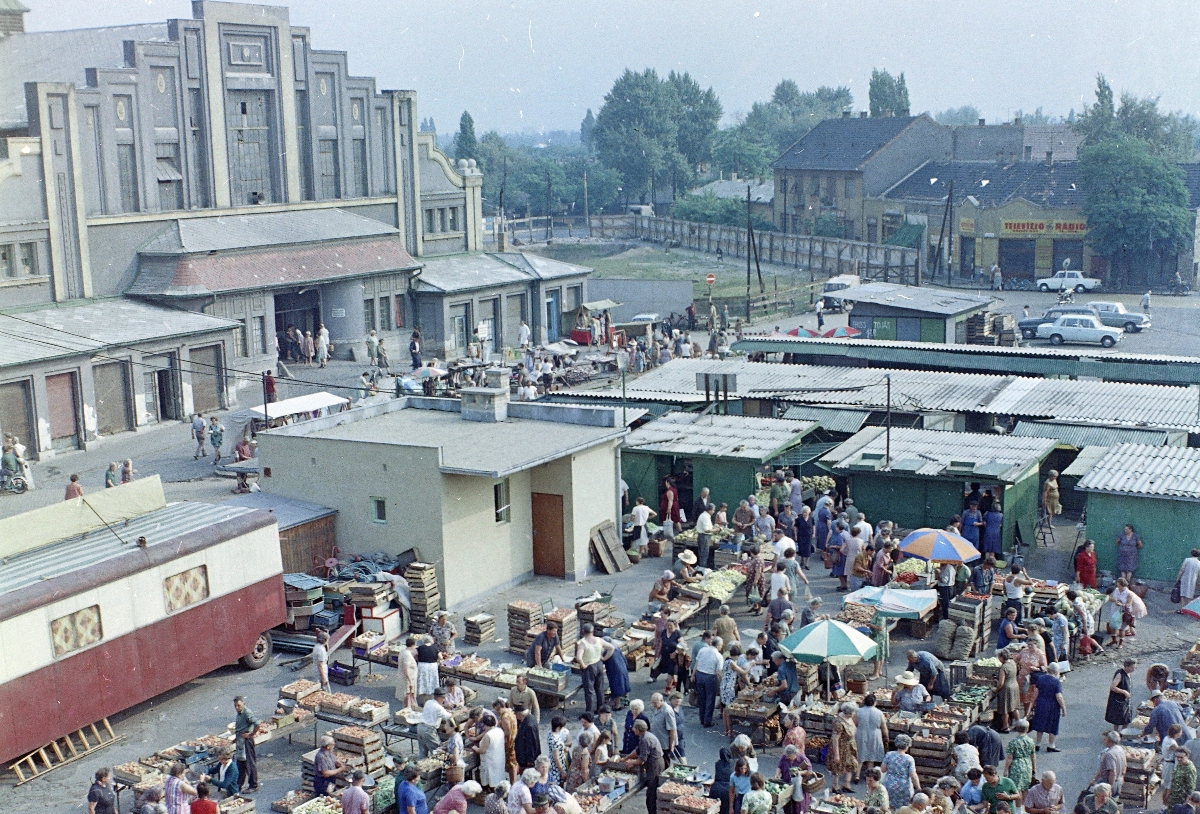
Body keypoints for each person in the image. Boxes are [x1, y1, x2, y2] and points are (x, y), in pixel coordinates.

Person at [576, 623, 615, 715]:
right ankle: (601, 709)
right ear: (592, 631)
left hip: (589, 667)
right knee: (599, 688)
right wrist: (604, 658)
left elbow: (578, 657)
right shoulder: (599, 640)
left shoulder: (582, 643)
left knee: (589, 691)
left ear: (582, 632)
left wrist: (583, 665)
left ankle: (589, 712)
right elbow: (611, 648)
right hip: (599, 665)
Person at [627, 719, 665, 814]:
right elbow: (637, 751)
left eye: (634, 727)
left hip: (654, 765)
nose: (632, 729)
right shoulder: (645, 735)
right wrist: (625, 758)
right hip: (657, 762)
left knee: (651, 793)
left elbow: (642, 759)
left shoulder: (645, 739)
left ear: (638, 729)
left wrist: (632, 763)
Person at [1027, 664, 1065, 751]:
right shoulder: (1056, 682)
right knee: (1053, 725)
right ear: (1056, 671)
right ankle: (1051, 745)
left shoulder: (1040, 679)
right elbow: (1059, 696)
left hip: (1041, 704)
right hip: (1052, 706)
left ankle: (1038, 743)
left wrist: (1032, 703)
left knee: (1040, 723)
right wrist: (1063, 707)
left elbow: (1036, 692)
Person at [827, 702, 860, 793]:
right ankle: (835, 786)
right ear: (848, 713)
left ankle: (846, 784)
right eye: (853, 712)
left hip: (849, 746)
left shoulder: (849, 718)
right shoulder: (839, 722)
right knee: (838, 766)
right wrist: (836, 754)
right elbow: (835, 738)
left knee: (852, 764)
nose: (854, 714)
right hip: (841, 747)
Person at [692, 632, 723, 728]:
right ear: (718, 645)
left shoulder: (703, 650)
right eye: (721, 645)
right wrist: (722, 682)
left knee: (702, 698)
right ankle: (707, 721)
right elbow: (718, 672)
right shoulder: (718, 656)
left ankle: (702, 718)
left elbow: (696, 664)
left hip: (699, 675)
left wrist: (693, 675)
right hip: (710, 677)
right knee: (710, 699)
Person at [882, 734, 921, 808]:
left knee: (888, 807)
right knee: (903, 808)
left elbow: (883, 769)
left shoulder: (889, 755)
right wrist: (918, 788)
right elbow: (913, 775)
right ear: (907, 746)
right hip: (903, 786)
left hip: (889, 784)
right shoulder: (909, 759)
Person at [856, 694, 888, 780]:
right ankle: (868, 775)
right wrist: (886, 737)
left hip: (861, 733)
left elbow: (855, 723)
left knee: (860, 755)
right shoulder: (879, 713)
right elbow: (883, 727)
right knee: (871, 756)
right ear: (874, 702)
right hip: (874, 735)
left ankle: (857, 775)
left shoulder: (858, 711)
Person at [720, 645, 749, 737]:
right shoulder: (732, 662)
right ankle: (730, 732)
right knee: (729, 710)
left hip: (724, 687)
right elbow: (743, 672)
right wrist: (750, 665)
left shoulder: (727, 661)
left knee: (725, 709)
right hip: (729, 688)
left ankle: (726, 730)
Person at [232, 696, 259, 792]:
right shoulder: (239, 713)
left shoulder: (247, 712)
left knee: (249, 763)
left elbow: (257, 723)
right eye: (235, 706)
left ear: (244, 704)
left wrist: (251, 734)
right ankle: (238, 785)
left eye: (239, 705)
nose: (237, 707)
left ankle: (253, 785)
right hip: (240, 741)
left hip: (247, 742)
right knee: (240, 763)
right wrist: (235, 739)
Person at [418, 688, 453, 758]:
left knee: (422, 752)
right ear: (439, 697)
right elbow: (449, 717)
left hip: (420, 727)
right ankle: (437, 767)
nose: (444, 700)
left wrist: (445, 709)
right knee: (437, 751)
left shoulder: (429, 702)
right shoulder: (438, 707)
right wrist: (462, 711)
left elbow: (435, 710)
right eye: (443, 698)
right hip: (429, 730)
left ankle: (421, 766)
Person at [1104, 658, 1136, 730]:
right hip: (1118, 700)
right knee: (1117, 720)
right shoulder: (1120, 674)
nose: (1133, 669)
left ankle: (1123, 733)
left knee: (1126, 719)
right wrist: (1124, 691)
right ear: (1126, 666)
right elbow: (1113, 687)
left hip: (1125, 700)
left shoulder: (1129, 673)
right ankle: (1115, 735)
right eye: (1131, 668)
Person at [1168, 749, 1198, 814]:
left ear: (1187, 756)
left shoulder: (1190, 769)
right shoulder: (1179, 765)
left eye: (1181, 757)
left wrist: (1186, 803)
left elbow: (1191, 787)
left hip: (1181, 800)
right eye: (1177, 757)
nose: (1179, 759)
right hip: (1173, 798)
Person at [513, 704, 540, 771]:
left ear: (519, 714)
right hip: (524, 757)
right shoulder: (530, 718)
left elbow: (531, 744)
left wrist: (530, 760)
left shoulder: (529, 726)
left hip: (527, 759)